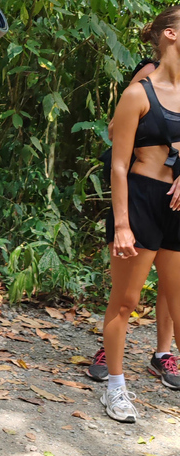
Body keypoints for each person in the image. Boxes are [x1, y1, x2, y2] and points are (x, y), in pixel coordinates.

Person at [100, 5, 180, 423]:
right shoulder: (139, 93)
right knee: (126, 300)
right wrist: (123, 224)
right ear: (169, 34)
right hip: (142, 199)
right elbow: (118, 163)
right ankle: (115, 388)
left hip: (177, 206)